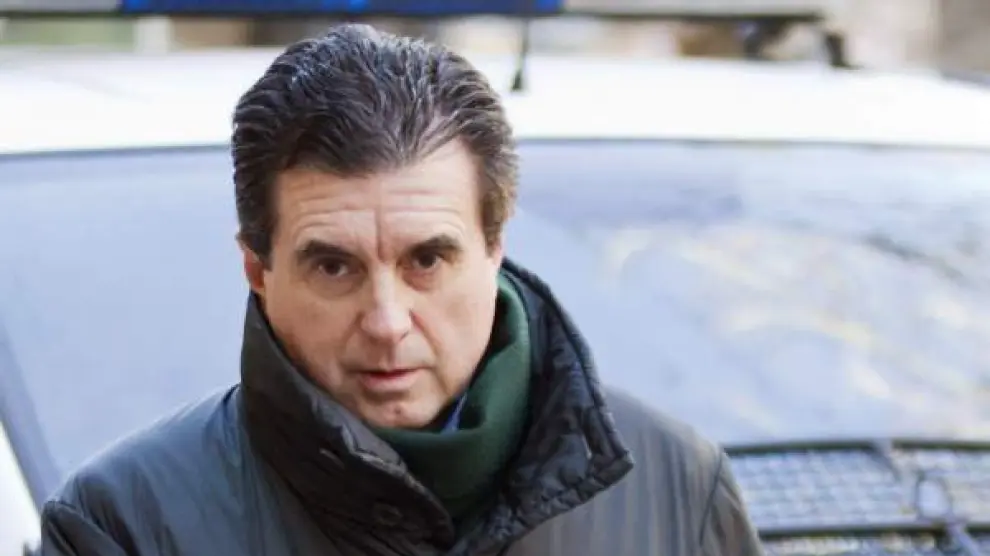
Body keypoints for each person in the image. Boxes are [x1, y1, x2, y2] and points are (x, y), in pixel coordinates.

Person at [39, 24, 763, 556]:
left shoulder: (676, 484)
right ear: (257, 271)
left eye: (427, 260)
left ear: (494, 248)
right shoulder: (125, 522)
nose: (387, 322)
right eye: (334, 267)